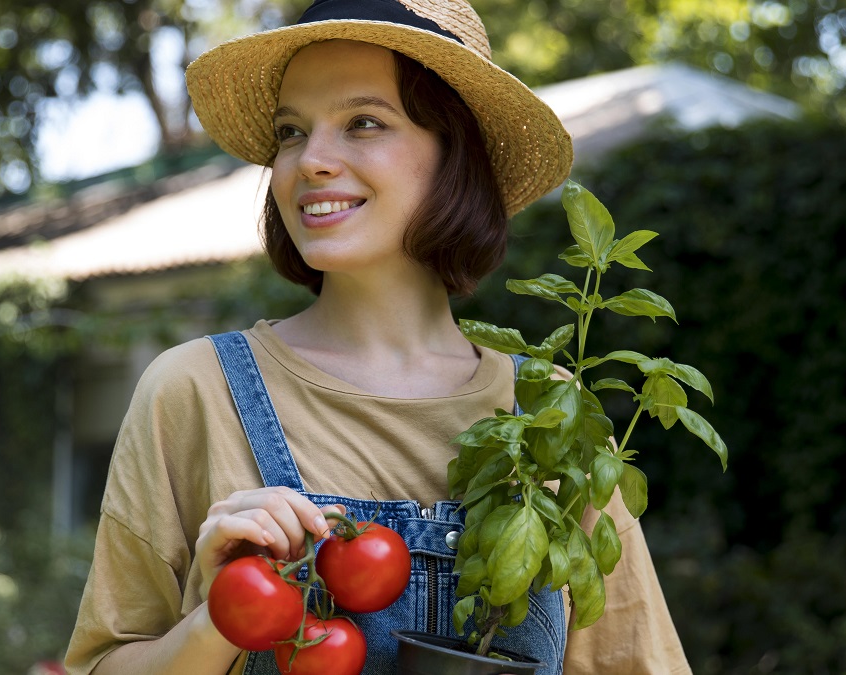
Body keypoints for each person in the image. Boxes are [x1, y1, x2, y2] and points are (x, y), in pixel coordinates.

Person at [65, 1, 690, 673]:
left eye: (363, 122)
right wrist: (220, 617)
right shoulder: (193, 393)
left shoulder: (549, 414)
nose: (311, 161)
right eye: (291, 131)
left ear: (459, 152)